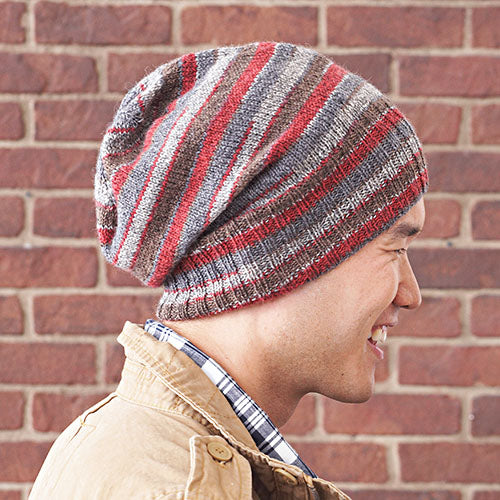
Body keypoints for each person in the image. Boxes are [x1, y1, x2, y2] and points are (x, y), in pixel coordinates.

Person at [30, 41, 428, 499]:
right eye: (395, 248)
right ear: (278, 252)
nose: (411, 294)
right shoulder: (180, 488)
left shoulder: (164, 457)